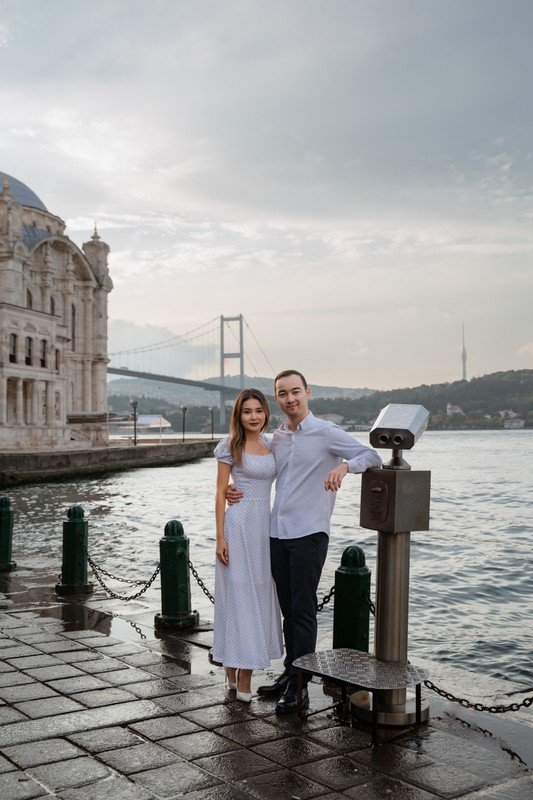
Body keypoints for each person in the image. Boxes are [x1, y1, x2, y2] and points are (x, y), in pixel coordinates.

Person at [228, 369, 382, 714]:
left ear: (307, 393)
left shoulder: (326, 432)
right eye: (283, 394)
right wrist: (230, 488)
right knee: (288, 609)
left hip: (309, 533)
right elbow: (253, 468)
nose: (290, 399)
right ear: (277, 399)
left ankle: (300, 688)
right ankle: (290, 672)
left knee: (303, 610)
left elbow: (372, 455)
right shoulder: (277, 438)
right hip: (276, 533)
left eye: (295, 391)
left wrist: (345, 467)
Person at [213, 388, 283, 702]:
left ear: (266, 413)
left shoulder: (271, 444)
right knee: (239, 596)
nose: (253, 417)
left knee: (260, 593)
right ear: (238, 416)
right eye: (247, 411)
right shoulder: (230, 445)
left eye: (258, 410)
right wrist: (220, 538)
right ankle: (243, 673)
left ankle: (234, 663)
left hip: (264, 527)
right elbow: (220, 492)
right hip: (239, 525)